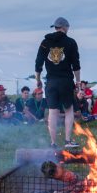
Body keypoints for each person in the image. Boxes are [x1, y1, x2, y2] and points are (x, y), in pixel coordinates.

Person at [35, 17, 81, 148]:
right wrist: (78, 82)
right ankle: (67, 141)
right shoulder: (71, 42)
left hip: (51, 82)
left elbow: (38, 63)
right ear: (65, 27)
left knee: (53, 112)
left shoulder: (45, 42)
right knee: (68, 110)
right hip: (65, 81)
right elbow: (76, 65)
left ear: (55, 27)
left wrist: (38, 80)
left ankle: (53, 143)